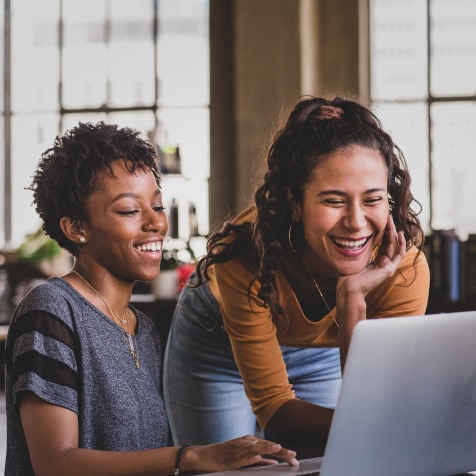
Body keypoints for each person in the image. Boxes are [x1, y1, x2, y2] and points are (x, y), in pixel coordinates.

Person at [4, 122, 298, 475]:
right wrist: (191, 456)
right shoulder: (51, 310)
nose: (155, 223)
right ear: (76, 228)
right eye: (130, 210)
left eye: (157, 206)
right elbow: (55, 463)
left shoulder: (141, 329)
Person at [163, 96, 430, 451]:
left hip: (322, 350)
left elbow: (370, 406)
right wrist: (372, 425)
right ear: (294, 202)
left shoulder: (403, 268)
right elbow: (277, 412)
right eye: (334, 200)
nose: (355, 222)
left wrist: (352, 297)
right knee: (224, 468)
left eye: (372, 199)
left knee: (327, 462)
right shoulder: (243, 255)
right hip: (218, 342)